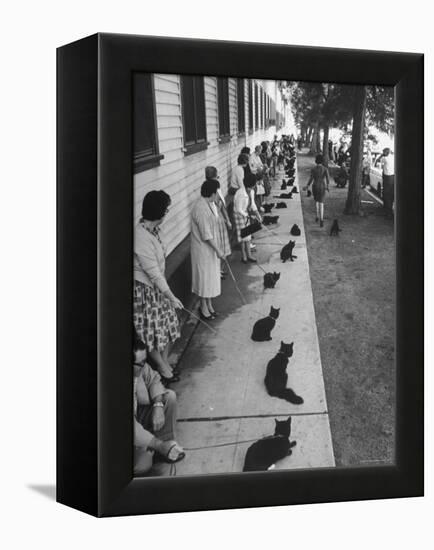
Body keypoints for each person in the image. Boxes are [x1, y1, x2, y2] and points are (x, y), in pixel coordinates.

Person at [134, 190, 183, 384]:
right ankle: (163, 368)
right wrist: (171, 296)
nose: (168, 211)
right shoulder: (140, 237)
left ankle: (164, 364)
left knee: (169, 326)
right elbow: (152, 272)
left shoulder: (153, 230)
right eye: (166, 208)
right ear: (159, 211)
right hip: (146, 291)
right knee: (152, 333)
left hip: (157, 287)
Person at [133, 335, 185, 476]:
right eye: (141, 363)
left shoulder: (140, 367)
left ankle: (164, 445)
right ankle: (159, 447)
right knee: (142, 466)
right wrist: (157, 445)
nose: (144, 365)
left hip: (138, 414)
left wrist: (157, 405)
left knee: (169, 396)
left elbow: (154, 379)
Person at [191, 179, 225, 320]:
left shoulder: (209, 204)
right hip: (203, 249)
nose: (218, 195)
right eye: (217, 192)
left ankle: (209, 305)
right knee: (204, 279)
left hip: (210, 249)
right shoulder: (200, 208)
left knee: (210, 278)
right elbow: (206, 235)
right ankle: (203, 308)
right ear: (212, 193)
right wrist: (218, 250)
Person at [205, 166, 232, 278]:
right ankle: (216, 271)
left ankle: (220, 269)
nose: (218, 179)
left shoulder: (218, 188)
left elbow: (223, 207)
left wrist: (228, 220)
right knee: (217, 246)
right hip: (213, 223)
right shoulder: (207, 191)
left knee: (222, 246)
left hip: (220, 220)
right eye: (216, 177)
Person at [233, 172, 262, 263]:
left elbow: (252, 204)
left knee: (248, 235)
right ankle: (244, 256)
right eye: (253, 185)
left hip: (245, 213)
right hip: (239, 215)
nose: (254, 187)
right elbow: (238, 209)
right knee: (243, 236)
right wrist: (249, 216)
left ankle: (249, 255)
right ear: (249, 184)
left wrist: (258, 215)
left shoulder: (251, 191)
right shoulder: (241, 193)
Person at [304, 154, 330, 227]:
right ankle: (322, 219)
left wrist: (307, 185)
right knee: (321, 203)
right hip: (322, 186)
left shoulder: (313, 169)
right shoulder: (325, 169)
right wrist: (327, 186)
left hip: (315, 186)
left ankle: (317, 216)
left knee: (316, 201)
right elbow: (328, 179)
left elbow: (311, 178)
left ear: (316, 161)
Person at [377, 147, 395, 216]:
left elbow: (378, 160)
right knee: (391, 193)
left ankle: (388, 211)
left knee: (386, 194)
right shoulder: (393, 157)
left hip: (387, 177)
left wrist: (381, 155)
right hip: (393, 176)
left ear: (385, 152)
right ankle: (389, 209)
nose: (383, 153)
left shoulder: (384, 158)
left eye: (383, 152)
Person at [249, 145, 266, 210]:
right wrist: (257, 169)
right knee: (259, 188)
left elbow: (260, 164)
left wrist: (263, 166)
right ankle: (259, 203)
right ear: (257, 151)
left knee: (261, 187)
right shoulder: (251, 157)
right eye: (260, 151)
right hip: (254, 175)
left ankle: (261, 202)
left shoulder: (257, 156)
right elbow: (251, 169)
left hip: (259, 173)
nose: (260, 152)